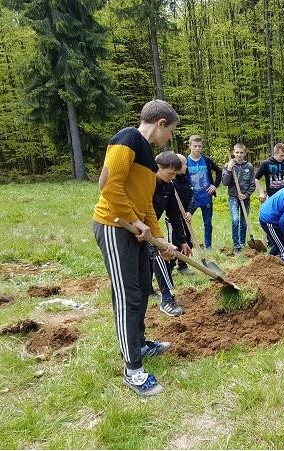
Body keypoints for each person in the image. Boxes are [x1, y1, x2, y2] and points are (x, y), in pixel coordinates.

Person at [92, 99, 178, 397]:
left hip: (136, 231)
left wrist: (159, 238)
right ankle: (133, 370)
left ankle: (140, 344)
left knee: (142, 290)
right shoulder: (127, 139)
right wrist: (132, 220)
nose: (169, 139)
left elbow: (147, 206)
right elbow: (108, 185)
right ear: (161, 123)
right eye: (170, 132)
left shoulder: (148, 156)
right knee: (128, 296)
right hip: (115, 227)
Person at [150, 151, 192, 317]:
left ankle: (148, 290)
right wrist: (159, 239)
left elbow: (174, 214)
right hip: (134, 225)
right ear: (157, 168)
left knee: (153, 255)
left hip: (150, 227)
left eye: (175, 174)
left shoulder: (169, 186)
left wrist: (182, 241)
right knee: (159, 255)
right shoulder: (146, 184)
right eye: (170, 173)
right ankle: (167, 299)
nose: (173, 177)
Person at [186, 135, 222, 250]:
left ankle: (208, 246)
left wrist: (214, 185)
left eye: (200, 146)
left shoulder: (206, 160)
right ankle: (189, 243)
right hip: (192, 197)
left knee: (207, 222)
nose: (197, 148)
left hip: (206, 195)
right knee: (187, 219)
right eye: (195, 146)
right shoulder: (185, 162)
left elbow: (219, 171)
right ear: (190, 146)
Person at [221, 143, 256, 253]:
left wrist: (245, 195)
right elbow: (225, 182)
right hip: (233, 197)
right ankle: (236, 245)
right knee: (235, 220)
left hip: (244, 198)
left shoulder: (249, 166)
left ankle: (242, 243)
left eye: (241, 152)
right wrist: (229, 170)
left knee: (244, 221)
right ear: (233, 153)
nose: (239, 154)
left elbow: (252, 184)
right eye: (237, 152)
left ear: (245, 153)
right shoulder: (228, 165)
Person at [167, 153, 194, 275]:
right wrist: (177, 213)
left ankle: (183, 265)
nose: (186, 167)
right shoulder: (171, 182)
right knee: (175, 242)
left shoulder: (186, 179)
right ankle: (169, 266)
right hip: (174, 218)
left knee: (187, 240)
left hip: (186, 216)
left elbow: (192, 196)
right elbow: (170, 204)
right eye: (184, 164)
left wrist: (189, 211)